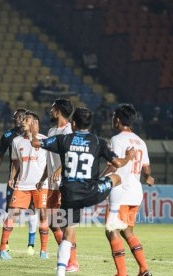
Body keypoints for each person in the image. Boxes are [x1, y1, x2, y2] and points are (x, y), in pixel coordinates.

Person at [31, 107, 135, 276]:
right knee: (116, 178)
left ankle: (61, 272)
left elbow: (36, 143)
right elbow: (118, 164)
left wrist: (35, 133)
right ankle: (114, 215)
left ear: (73, 124)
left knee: (68, 233)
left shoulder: (63, 140)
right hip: (92, 192)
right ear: (90, 124)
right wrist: (129, 157)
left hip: (70, 195)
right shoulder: (98, 142)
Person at [103, 104, 154, 276]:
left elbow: (113, 165)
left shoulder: (117, 140)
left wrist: (98, 180)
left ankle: (122, 273)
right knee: (127, 231)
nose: (112, 119)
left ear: (117, 119)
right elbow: (146, 169)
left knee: (112, 230)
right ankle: (144, 269)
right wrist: (147, 178)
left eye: (113, 116)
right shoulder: (141, 141)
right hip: (135, 192)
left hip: (120, 192)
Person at [0, 111, 46, 260]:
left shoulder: (45, 140)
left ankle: (43, 250)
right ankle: (2, 248)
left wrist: (46, 179)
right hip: (22, 184)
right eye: (23, 119)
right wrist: (12, 177)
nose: (23, 121)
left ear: (34, 123)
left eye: (27, 119)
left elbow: (51, 163)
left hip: (40, 185)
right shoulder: (16, 141)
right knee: (13, 213)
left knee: (43, 215)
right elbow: (16, 162)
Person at [0, 108, 38, 252]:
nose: (16, 119)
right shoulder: (8, 136)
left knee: (33, 209)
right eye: (15, 117)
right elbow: (0, 156)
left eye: (20, 117)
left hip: (33, 179)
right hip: (15, 179)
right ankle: (6, 243)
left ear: (26, 119)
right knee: (10, 210)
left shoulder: (36, 137)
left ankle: (31, 244)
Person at [40, 99, 75, 267]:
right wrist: (43, 178)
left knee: (65, 222)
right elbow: (49, 158)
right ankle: (66, 258)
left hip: (65, 183)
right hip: (52, 184)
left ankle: (72, 262)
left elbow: (72, 155)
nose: (50, 110)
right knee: (53, 223)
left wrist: (61, 169)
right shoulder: (52, 130)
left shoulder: (69, 131)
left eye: (53, 108)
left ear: (59, 110)